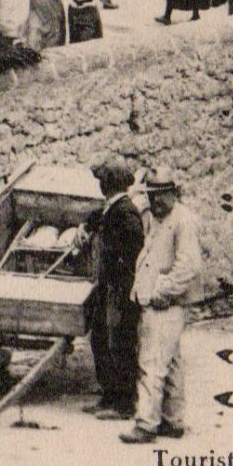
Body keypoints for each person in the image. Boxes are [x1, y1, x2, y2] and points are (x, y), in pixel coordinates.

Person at [119, 166, 205, 444]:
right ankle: (172, 419)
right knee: (171, 361)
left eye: (160, 196)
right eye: (151, 196)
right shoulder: (157, 216)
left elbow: (188, 266)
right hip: (158, 301)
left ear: (173, 193)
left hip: (166, 304)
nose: (154, 201)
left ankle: (146, 424)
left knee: (151, 362)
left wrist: (160, 292)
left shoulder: (183, 221)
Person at [82, 160, 146, 421]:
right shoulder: (113, 209)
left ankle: (124, 404)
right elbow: (97, 218)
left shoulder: (126, 213)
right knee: (100, 337)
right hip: (109, 287)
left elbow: (133, 251)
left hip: (120, 289)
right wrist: (84, 227)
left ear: (105, 185)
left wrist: (119, 279)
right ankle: (109, 395)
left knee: (120, 342)